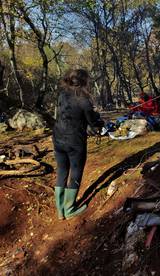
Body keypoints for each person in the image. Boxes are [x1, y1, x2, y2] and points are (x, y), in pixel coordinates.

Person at [53, 69, 104, 220]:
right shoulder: (84, 100)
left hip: (57, 138)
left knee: (62, 170)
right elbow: (92, 122)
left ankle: (60, 211)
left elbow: (68, 115)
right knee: (76, 171)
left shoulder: (62, 94)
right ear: (84, 81)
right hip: (75, 142)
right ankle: (69, 209)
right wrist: (99, 120)